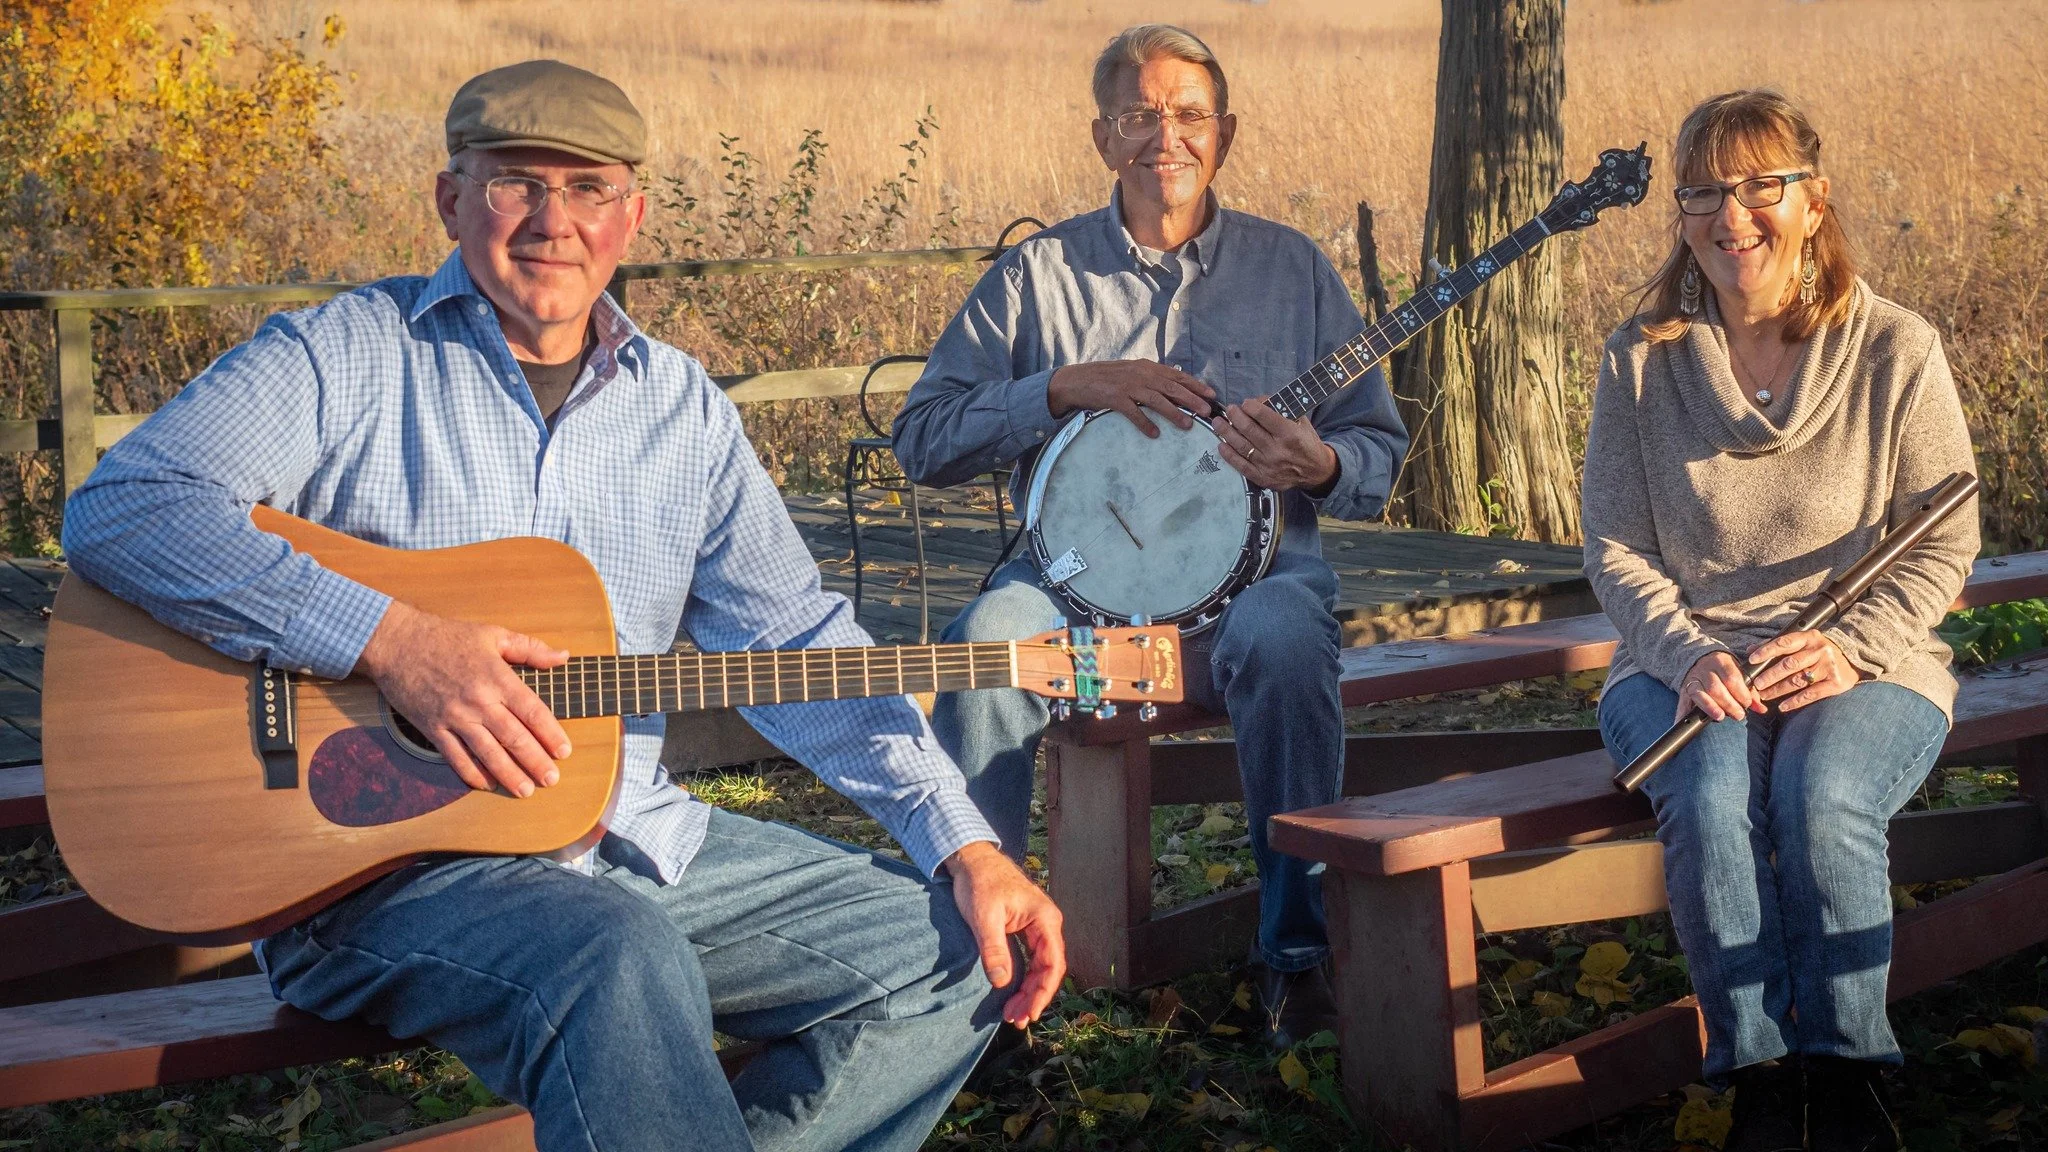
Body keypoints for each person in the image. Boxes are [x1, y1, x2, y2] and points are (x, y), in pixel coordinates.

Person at [61, 59, 1065, 1152]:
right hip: (369, 873)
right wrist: (391, 642)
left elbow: (794, 641)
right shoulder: (347, 353)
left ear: (630, 213)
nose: (553, 221)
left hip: (627, 839)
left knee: (956, 950)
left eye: (587, 189)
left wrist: (965, 845)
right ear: (450, 199)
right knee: (614, 955)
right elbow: (127, 506)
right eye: (514, 184)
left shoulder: (684, 411)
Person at [891, 24, 1408, 1048]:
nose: (1162, 136)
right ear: (1100, 136)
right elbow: (923, 436)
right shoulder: (1037, 278)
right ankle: (965, 981)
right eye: (1137, 114)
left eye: (1186, 114)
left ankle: (1295, 957)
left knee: (1287, 634)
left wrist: (1317, 462)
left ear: (1223, 133)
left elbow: (1375, 455)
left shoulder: (1291, 269)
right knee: (988, 634)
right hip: (1074, 598)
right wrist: (1057, 388)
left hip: (1249, 606)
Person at [1582, 90, 1976, 1152]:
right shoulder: (1639, 357)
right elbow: (1614, 548)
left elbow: (1942, 537)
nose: (1731, 216)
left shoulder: (1896, 347)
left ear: (1815, 201)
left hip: (1867, 658)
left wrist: (1847, 650)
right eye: (1702, 192)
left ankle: (1845, 1075)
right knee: (1710, 799)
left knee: (1821, 795)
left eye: (1762, 187)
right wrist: (1684, 653)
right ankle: (1757, 1074)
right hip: (1679, 666)